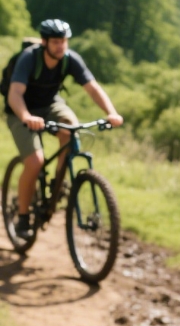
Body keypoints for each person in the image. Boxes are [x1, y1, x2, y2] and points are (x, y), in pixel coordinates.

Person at [6, 19, 123, 240]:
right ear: (44, 42)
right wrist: (27, 117)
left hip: (50, 105)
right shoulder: (29, 58)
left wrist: (111, 112)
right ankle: (22, 216)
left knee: (71, 129)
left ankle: (57, 185)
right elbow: (15, 94)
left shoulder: (70, 59)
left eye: (64, 41)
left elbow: (92, 88)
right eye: (56, 42)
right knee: (35, 162)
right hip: (21, 111)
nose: (61, 46)